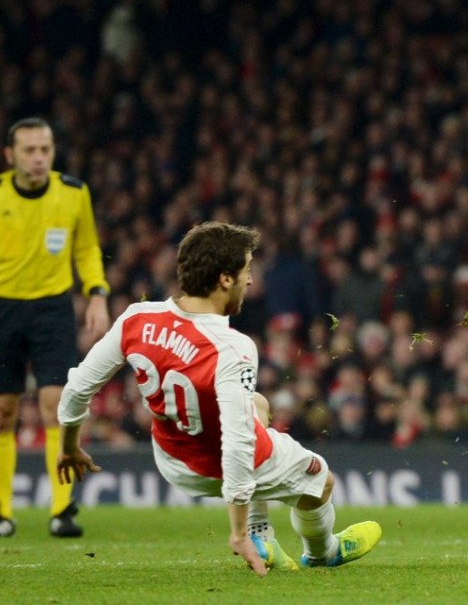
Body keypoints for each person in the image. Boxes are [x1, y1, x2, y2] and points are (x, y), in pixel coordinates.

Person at [56, 222, 381, 574]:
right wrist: (238, 530)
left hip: (171, 456)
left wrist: (70, 446)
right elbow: (238, 442)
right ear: (225, 279)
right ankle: (321, 551)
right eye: (247, 270)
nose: (251, 280)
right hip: (218, 465)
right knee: (321, 480)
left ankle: (261, 531)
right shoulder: (232, 348)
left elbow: (77, 388)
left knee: (257, 405)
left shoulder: (137, 318)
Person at [0, 117, 111, 538]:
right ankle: (2, 512)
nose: (39, 157)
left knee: (55, 405)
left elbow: (87, 248)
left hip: (52, 309)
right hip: (3, 307)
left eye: (45, 149)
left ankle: (63, 509)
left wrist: (97, 293)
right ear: (11, 156)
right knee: (4, 412)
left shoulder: (73, 193)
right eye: (29, 150)